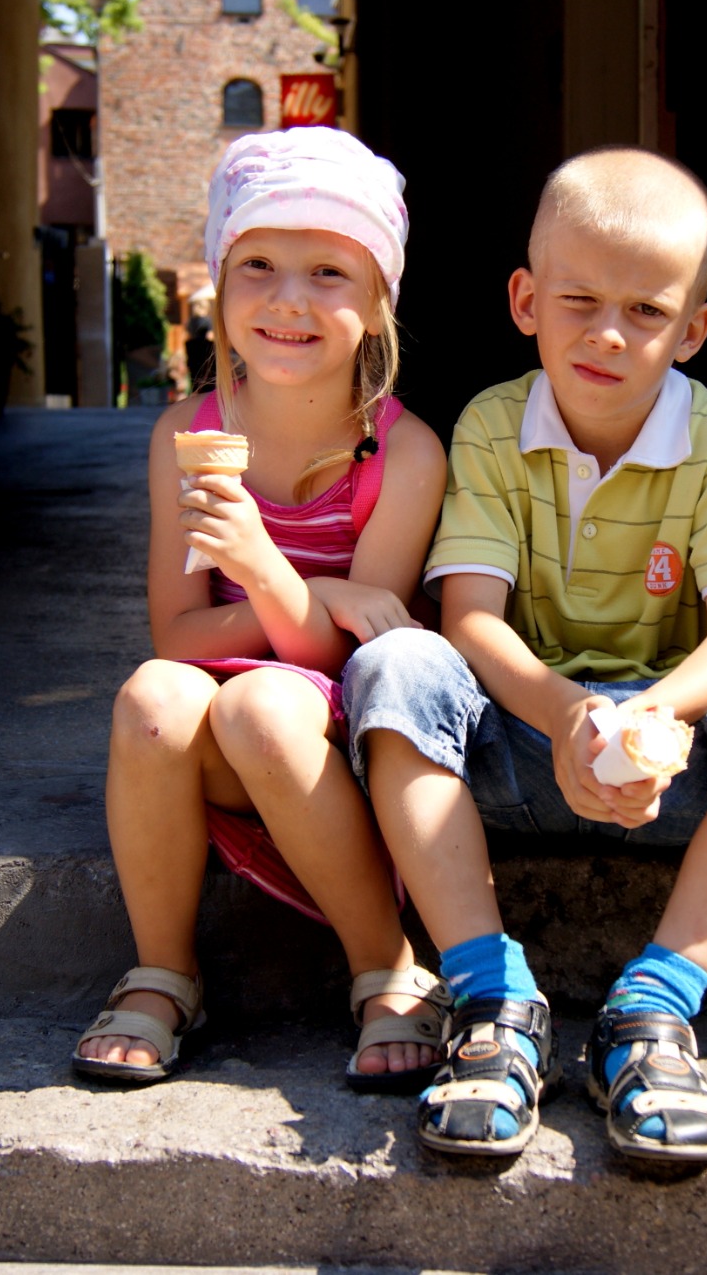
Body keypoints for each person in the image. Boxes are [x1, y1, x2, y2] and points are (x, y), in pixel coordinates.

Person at [342, 148, 707, 1162]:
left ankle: (654, 1006)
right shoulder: (492, 423)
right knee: (392, 668)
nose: (608, 333)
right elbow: (469, 617)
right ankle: (490, 995)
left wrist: (652, 718)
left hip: (683, 764)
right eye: (577, 299)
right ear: (524, 299)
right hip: (520, 749)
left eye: (646, 311)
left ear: (694, 328)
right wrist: (569, 718)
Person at [74, 127, 450, 1093]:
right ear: (220, 281)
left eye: (329, 269)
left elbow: (360, 651)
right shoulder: (184, 436)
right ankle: (162, 971)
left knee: (263, 704)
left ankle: (388, 965)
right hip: (228, 726)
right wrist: (306, 583)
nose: (289, 298)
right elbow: (181, 636)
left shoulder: (401, 456)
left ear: (377, 304)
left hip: (347, 740)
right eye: (259, 265)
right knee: (154, 696)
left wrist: (264, 570)